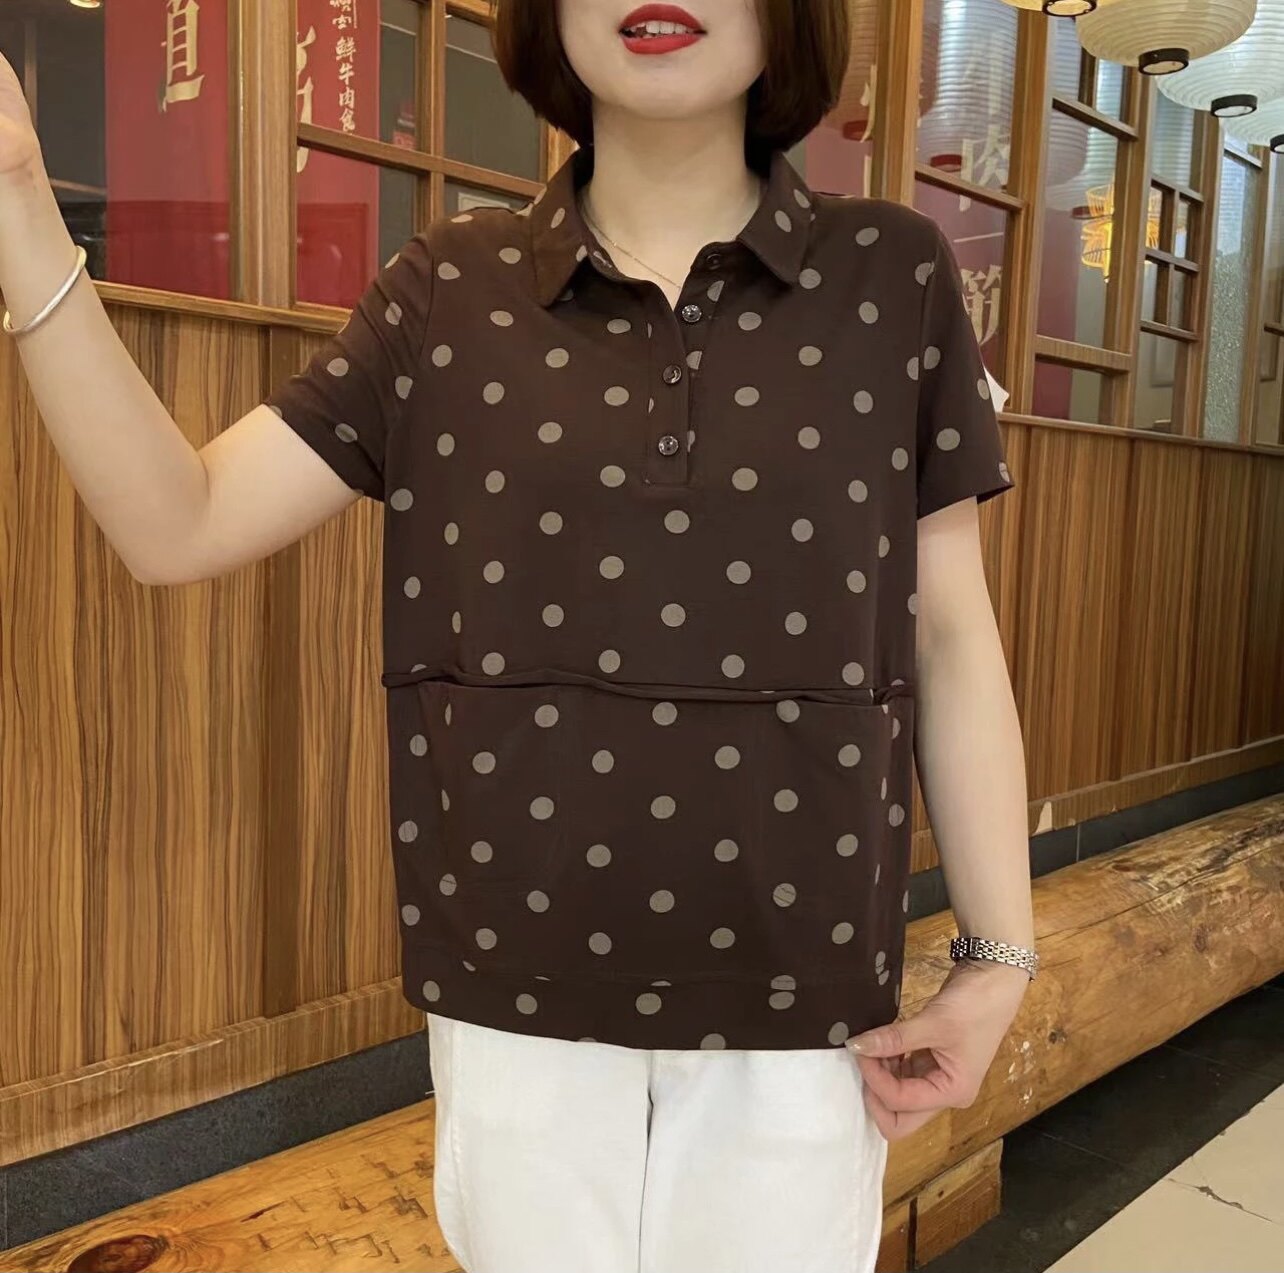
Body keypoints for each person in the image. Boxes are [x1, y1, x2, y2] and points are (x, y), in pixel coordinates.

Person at [0, 1, 1037, 1269]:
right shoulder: (447, 290)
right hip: (518, 1002)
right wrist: (20, 205)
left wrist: (998, 957)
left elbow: (948, 637)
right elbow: (180, 523)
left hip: (805, 1005)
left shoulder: (895, 278)